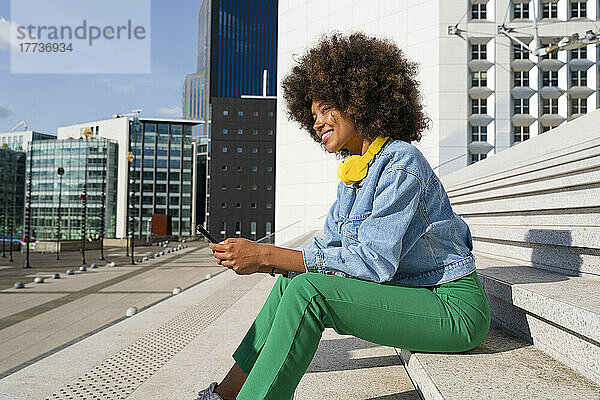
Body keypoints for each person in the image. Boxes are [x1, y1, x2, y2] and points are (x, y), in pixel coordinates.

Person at [195, 32, 491, 400]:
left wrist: (266, 254)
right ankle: (223, 396)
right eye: (312, 115)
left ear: (358, 100)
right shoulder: (353, 176)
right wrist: (263, 261)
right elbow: (327, 249)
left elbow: (373, 262)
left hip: (452, 309)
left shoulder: (402, 163)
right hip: (414, 295)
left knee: (308, 291)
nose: (317, 122)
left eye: (325, 109)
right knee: (291, 282)